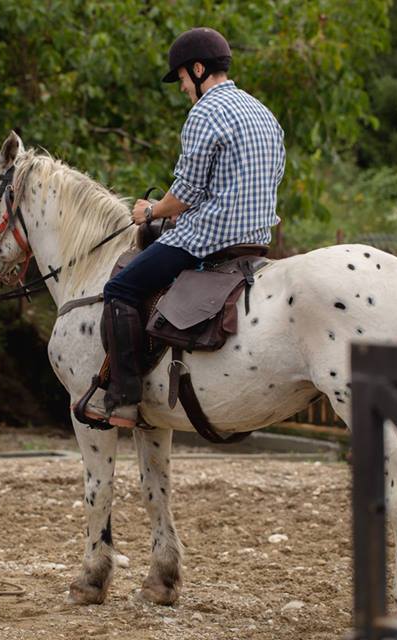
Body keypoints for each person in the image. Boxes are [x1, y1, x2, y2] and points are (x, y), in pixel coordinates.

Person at [96, 26, 286, 427]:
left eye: (182, 78)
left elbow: (183, 194)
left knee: (120, 288)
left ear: (199, 69)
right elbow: (265, 179)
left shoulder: (206, 112)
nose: (183, 87)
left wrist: (150, 212)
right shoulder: (263, 112)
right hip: (255, 242)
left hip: (207, 240)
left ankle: (125, 397)